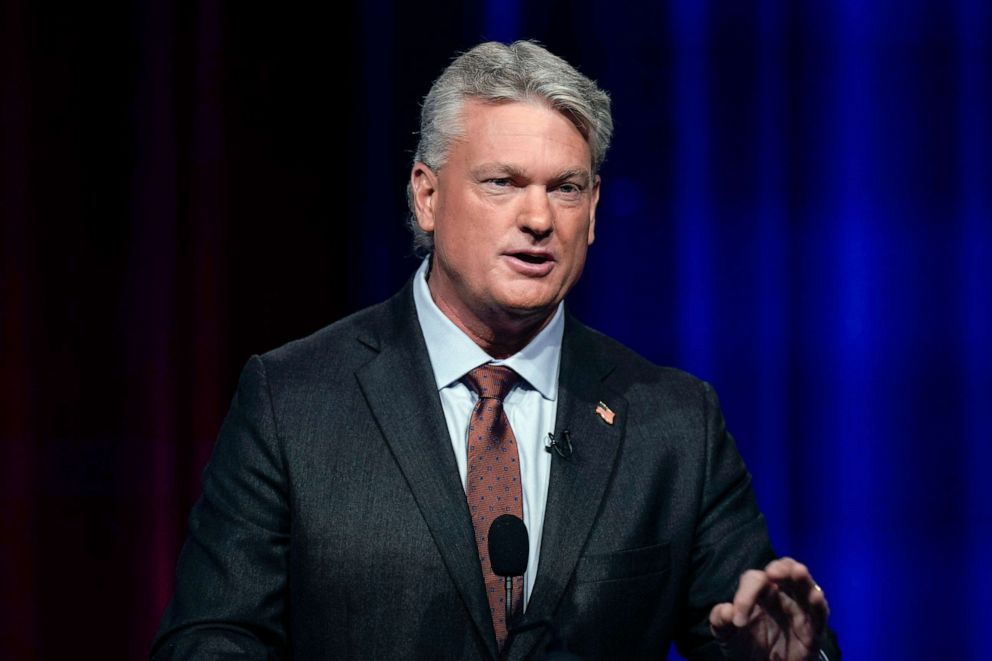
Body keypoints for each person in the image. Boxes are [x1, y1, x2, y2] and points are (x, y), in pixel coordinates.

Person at [151, 40, 839, 660]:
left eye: (565, 188)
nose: (538, 219)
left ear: (594, 210)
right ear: (426, 196)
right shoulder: (293, 400)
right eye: (502, 182)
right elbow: (212, 639)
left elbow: (752, 631)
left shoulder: (674, 422)